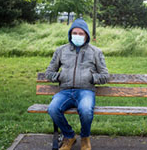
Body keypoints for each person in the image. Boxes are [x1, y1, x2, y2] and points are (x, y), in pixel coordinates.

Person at [45, 18, 109, 150]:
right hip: (65, 91)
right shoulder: (61, 50)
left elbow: (105, 75)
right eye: (75, 33)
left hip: (86, 91)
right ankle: (69, 136)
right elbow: (49, 72)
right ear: (70, 34)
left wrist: (91, 78)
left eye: (81, 34)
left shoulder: (95, 52)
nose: (78, 36)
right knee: (53, 109)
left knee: (86, 110)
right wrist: (59, 76)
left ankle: (85, 138)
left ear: (86, 35)